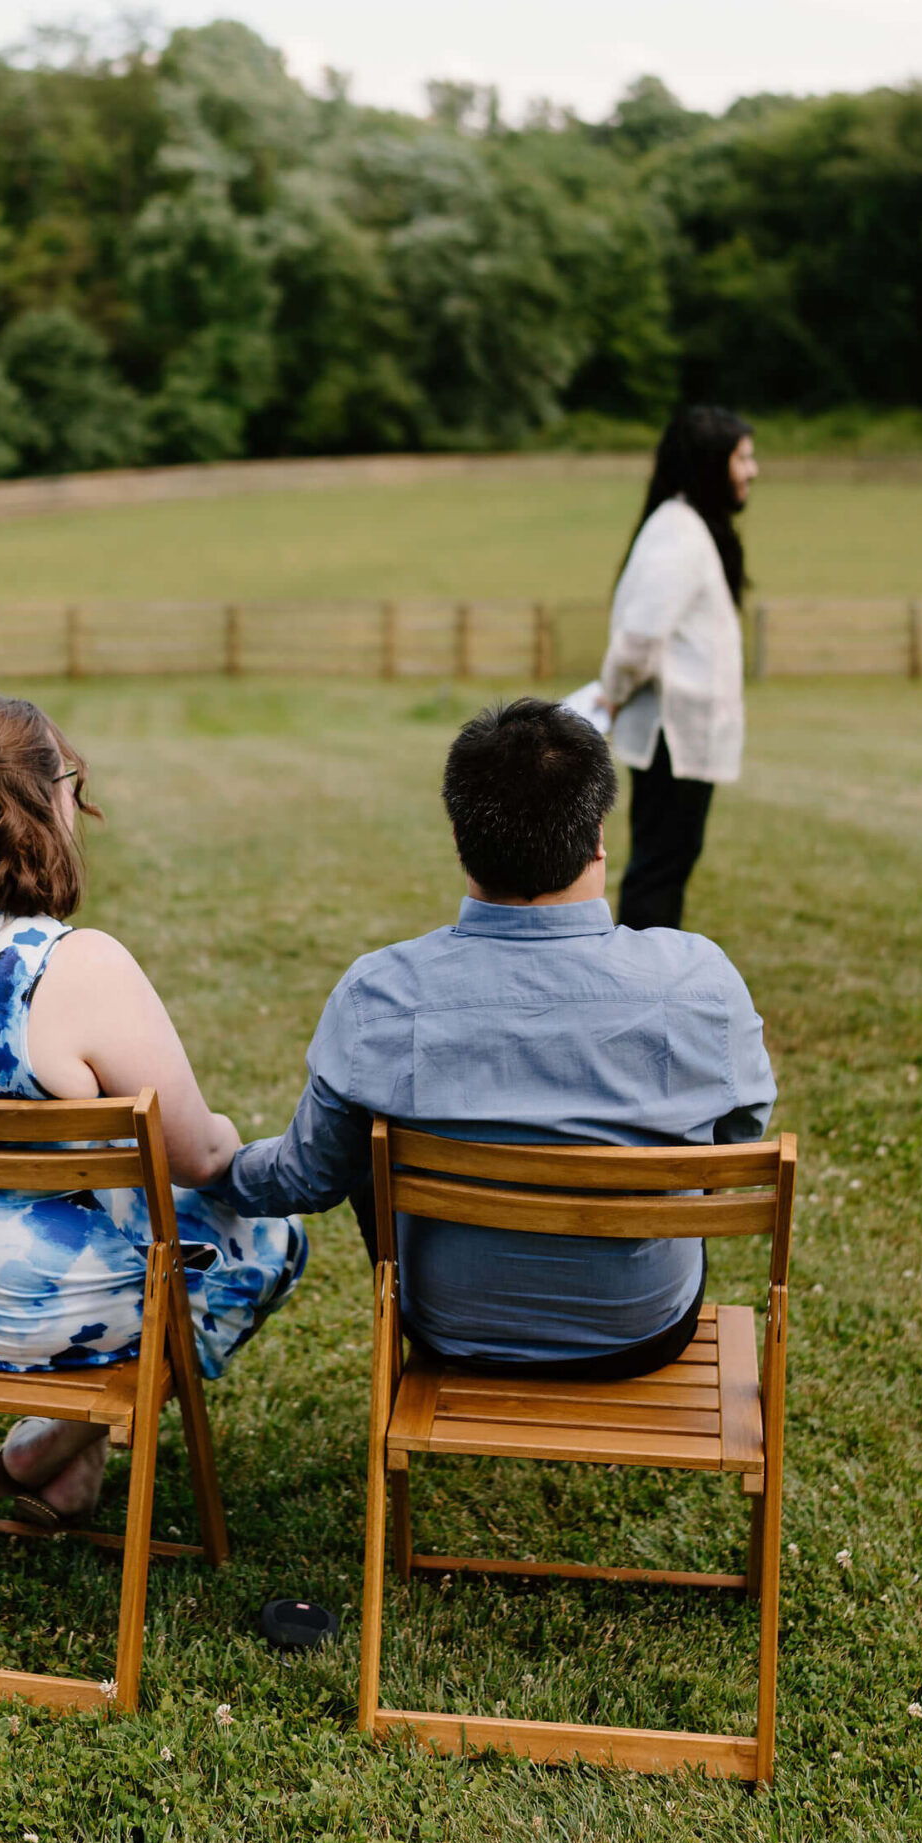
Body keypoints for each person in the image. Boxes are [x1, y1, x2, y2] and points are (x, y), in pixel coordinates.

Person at [0, 688, 306, 1527]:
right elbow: (196, 1158)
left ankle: (70, 1474)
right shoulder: (76, 968)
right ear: (47, 800)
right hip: (19, 1305)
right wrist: (228, 1137)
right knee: (263, 1237)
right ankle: (47, 1443)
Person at [218, 698, 775, 1373]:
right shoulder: (700, 980)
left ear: (459, 839)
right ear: (598, 834)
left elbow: (307, 1176)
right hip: (643, 1331)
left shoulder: (380, 991)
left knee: (367, 1147)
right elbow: (738, 1135)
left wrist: (216, 1166)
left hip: (448, 1331)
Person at [597, 404, 758, 932]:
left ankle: (650, 986)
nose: (752, 471)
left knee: (665, 864)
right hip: (674, 735)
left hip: (680, 736)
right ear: (711, 464)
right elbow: (641, 637)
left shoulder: (686, 527)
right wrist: (612, 694)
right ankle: (642, 992)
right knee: (659, 869)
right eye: (743, 458)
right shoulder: (679, 536)